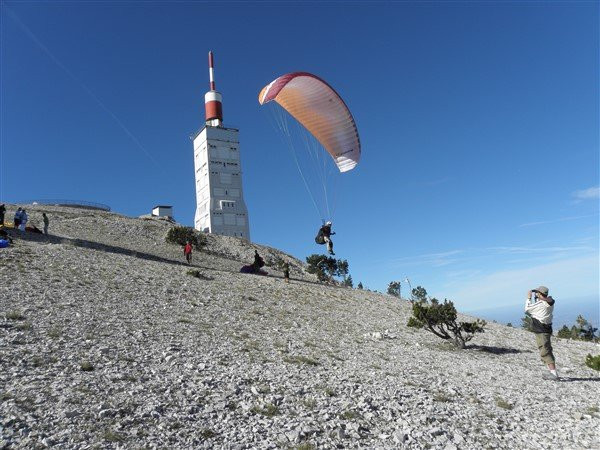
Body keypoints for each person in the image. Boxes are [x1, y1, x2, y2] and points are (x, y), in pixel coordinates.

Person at [525, 286, 558, 381]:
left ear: (540, 294)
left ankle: (554, 374)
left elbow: (527, 309)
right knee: (545, 349)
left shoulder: (541, 304)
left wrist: (528, 298)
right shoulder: (548, 302)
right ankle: (552, 372)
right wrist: (540, 298)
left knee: (545, 351)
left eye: (537, 293)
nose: (536, 294)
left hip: (541, 330)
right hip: (545, 329)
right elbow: (551, 300)